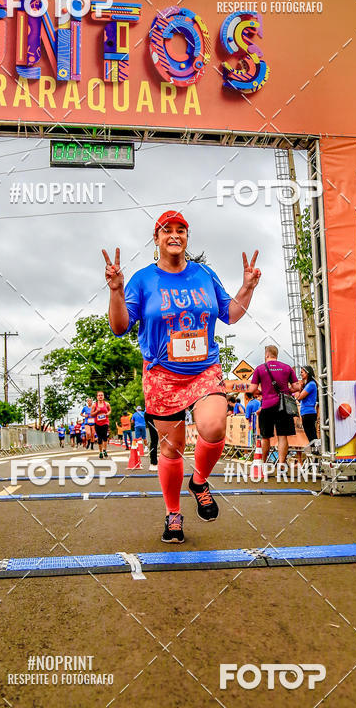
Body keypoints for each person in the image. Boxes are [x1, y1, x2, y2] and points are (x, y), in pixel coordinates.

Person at [103, 208, 261, 544]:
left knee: (215, 425)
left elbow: (230, 314)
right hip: (162, 375)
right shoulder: (143, 280)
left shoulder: (204, 274)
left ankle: (200, 480)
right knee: (171, 449)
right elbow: (119, 327)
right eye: (167, 230)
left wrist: (247, 287)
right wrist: (116, 290)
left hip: (205, 370)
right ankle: (173, 514)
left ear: (187, 238)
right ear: (157, 239)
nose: (174, 235)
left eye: (181, 230)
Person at [248, 345, 301, 466]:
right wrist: (288, 389)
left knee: (265, 437)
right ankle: (281, 464)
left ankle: (264, 463)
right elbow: (297, 387)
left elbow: (252, 389)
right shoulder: (286, 367)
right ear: (276, 355)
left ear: (266, 355)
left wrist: (262, 392)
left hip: (267, 406)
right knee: (282, 436)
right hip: (283, 406)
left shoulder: (260, 369)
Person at [296, 365, 318, 448]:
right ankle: (315, 453)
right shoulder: (308, 384)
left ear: (307, 373)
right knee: (310, 436)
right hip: (306, 412)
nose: (301, 374)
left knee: (312, 435)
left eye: (302, 372)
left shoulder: (311, 384)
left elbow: (299, 397)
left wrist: (298, 390)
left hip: (309, 412)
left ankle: (316, 453)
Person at [92, 391, 111, 459]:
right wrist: (96, 411)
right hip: (97, 423)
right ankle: (100, 452)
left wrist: (108, 413)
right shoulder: (94, 405)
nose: (100, 396)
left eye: (101, 395)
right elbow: (91, 414)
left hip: (105, 422)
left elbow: (109, 410)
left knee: (104, 436)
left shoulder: (107, 404)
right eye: (99, 395)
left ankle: (105, 450)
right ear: (97, 397)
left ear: (103, 396)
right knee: (99, 438)